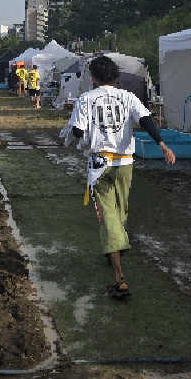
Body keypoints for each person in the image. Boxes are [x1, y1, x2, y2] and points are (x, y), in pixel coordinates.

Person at [64, 55, 175, 302]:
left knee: (108, 216)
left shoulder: (86, 99)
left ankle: (120, 279)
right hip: (125, 162)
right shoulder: (128, 97)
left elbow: (78, 131)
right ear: (115, 76)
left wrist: (77, 133)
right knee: (121, 211)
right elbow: (146, 120)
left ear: (93, 76)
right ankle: (114, 249)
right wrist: (162, 145)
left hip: (100, 164)